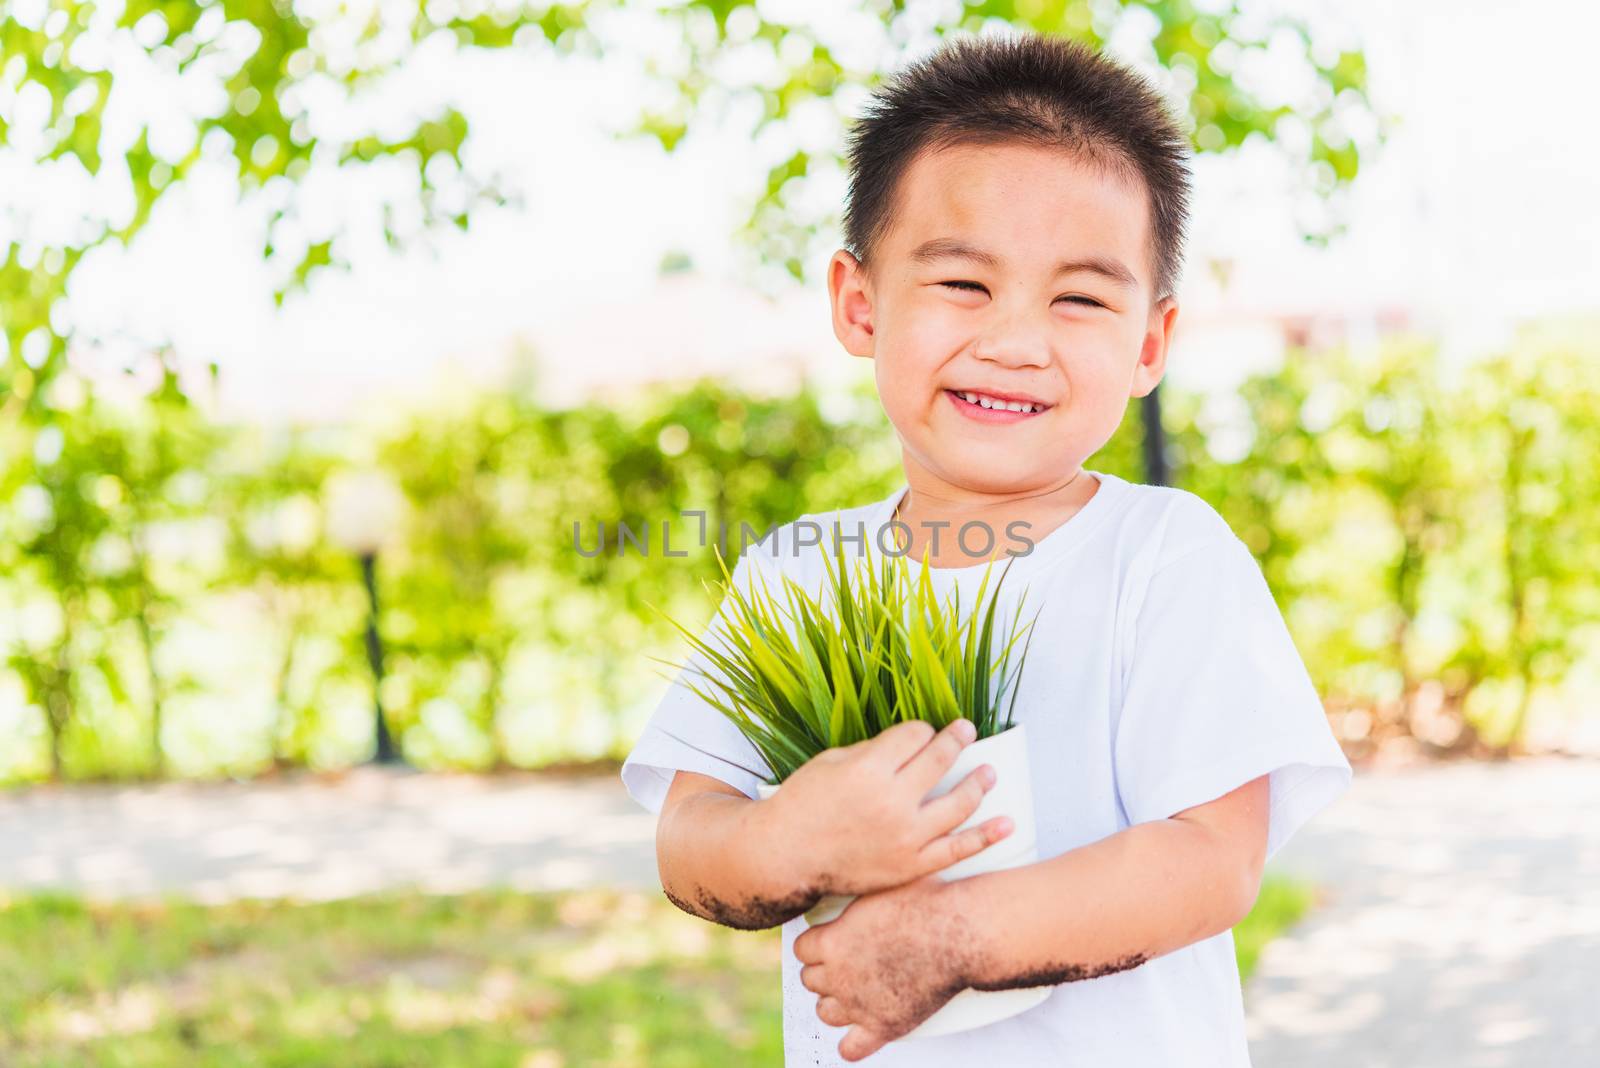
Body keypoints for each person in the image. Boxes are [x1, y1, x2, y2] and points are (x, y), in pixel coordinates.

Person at [620, 30, 1351, 1066]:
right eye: (963, 284)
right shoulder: (797, 573)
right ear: (859, 302)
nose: (1015, 339)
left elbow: (1209, 860)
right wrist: (788, 842)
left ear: (1149, 341)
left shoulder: (1165, 557)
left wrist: (955, 941)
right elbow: (689, 840)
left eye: (1080, 297)